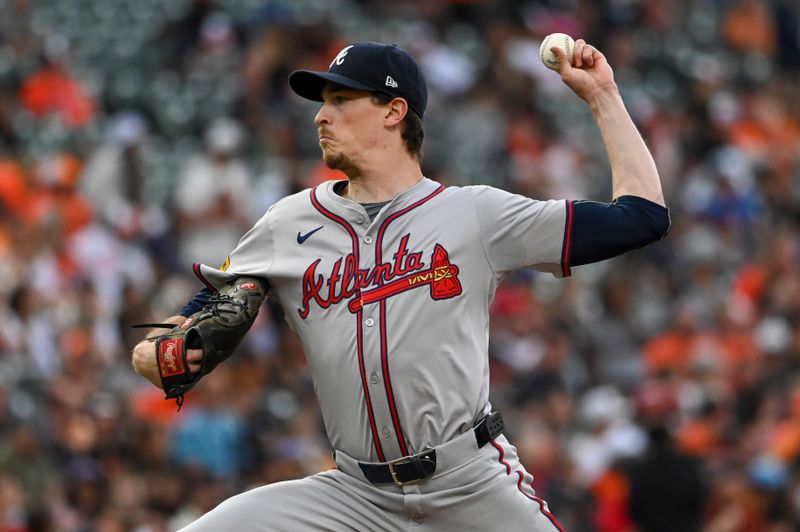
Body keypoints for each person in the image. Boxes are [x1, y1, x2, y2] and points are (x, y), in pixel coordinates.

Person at [132, 39, 670, 531]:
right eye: (322, 102)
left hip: (471, 486)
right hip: (352, 498)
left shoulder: (473, 215)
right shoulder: (287, 223)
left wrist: (603, 96)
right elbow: (207, 308)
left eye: (342, 100)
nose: (321, 115)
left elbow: (642, 217)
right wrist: (154, 353)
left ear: (394, 112)